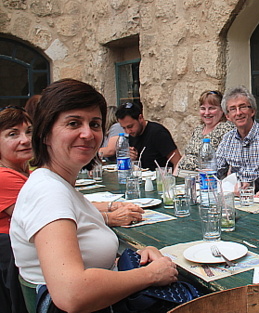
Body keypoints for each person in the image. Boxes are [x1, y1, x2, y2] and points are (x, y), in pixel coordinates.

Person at [10, 79, 178, 313]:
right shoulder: (47, 192)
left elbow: (86, 260)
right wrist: (149, 274)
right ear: (45, 134)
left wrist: (133, 260)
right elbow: (72, 293)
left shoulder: (58, 185)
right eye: (73, 123)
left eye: (95, 124)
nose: (87, 134)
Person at [0, 106, 31, 313]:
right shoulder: (4, 177)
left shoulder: (24, 170)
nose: (25, 139)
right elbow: (43, 216)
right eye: (13, 134)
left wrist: (110, 207)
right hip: (10, 263)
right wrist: (110, 215)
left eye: (29, 131)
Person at [216, 86, 259, 182]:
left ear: (252, 111)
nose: (238, 113)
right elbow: (216, 169)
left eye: (243, 107)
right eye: (233, 109)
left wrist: (251, 186)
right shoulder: (228, 138)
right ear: (228, 116)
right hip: (235, 192)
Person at [174, 90, 234, 175]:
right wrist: (174, 176)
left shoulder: (226, 129)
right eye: (203, 108)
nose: (206, 113)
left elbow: (230, 161)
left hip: (204, 179)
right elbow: (186, 155)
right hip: (182, 177)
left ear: (222, 110)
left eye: (212, 108)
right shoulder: (198, 129)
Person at [116, 101, 181, 171]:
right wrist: (131, 158)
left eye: (130, 126)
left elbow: (177, 161)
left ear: (140, 118)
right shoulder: (132, 135)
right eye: (124, 128)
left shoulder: (158, 133)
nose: (128, 131)